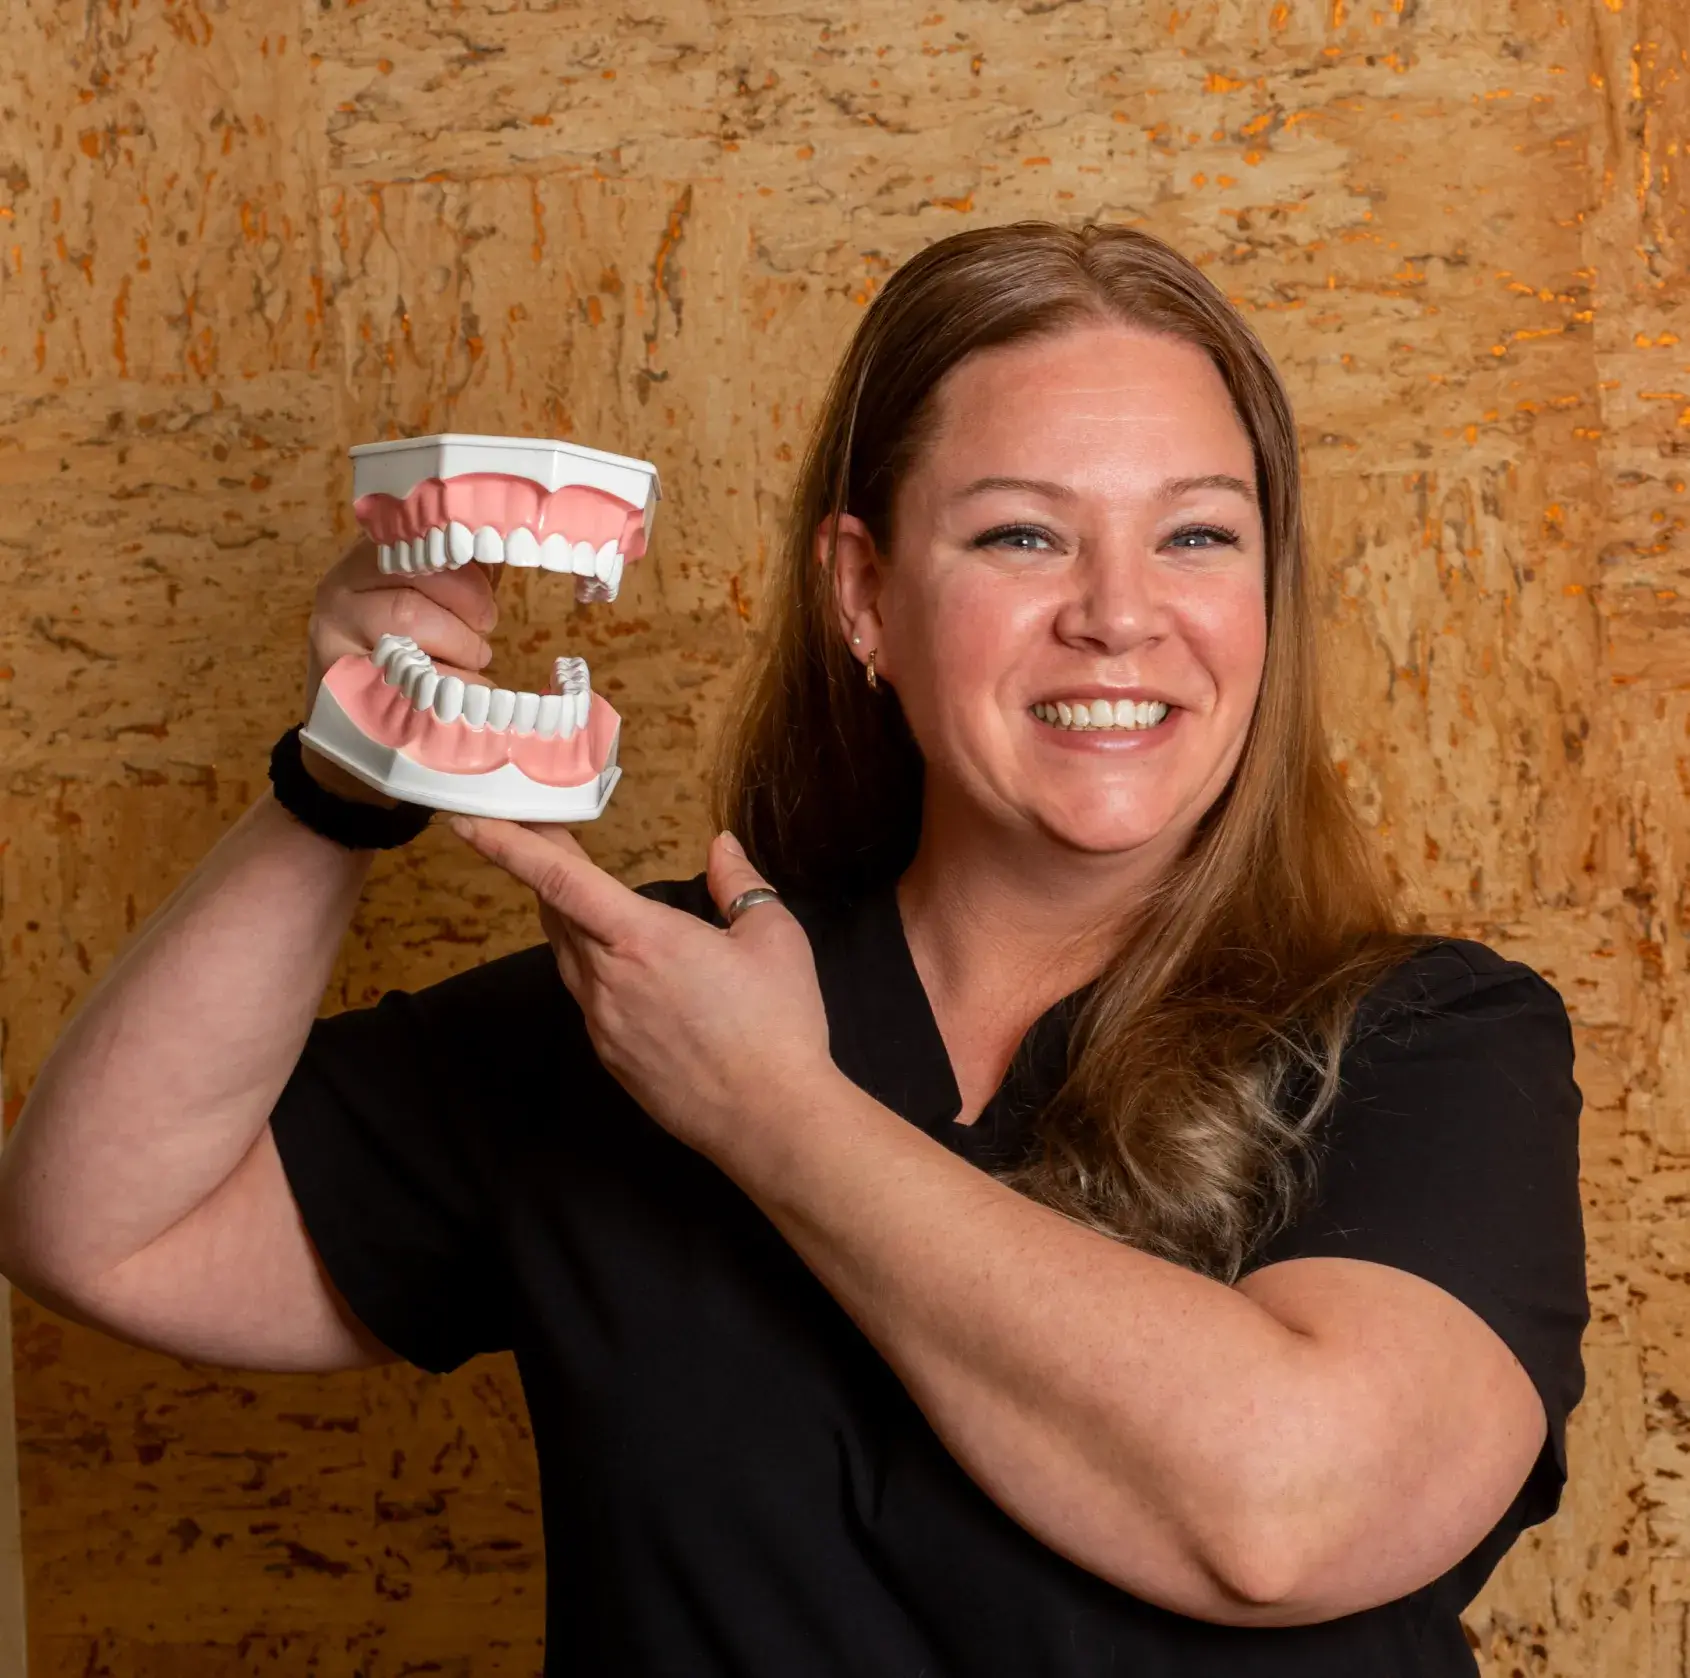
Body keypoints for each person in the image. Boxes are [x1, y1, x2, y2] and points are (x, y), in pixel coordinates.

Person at [0, 221, 1587, 1676]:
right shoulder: (634, 1000)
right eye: (1022, 538)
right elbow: (99, 1228)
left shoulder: (1427, 1046)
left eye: (1195, 538)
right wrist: (344, 781)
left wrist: (774, 1116)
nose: (1118, 615)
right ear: (865, 597)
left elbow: (1284, 1517)